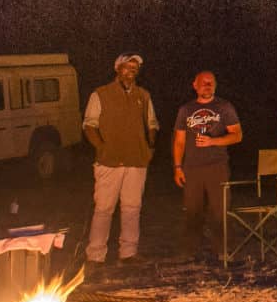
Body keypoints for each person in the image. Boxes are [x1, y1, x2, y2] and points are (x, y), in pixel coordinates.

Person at [82, 53, 160, 266]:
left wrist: (149, 147)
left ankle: (128, 253)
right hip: (109, 162)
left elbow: (152, 124)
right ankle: (95, 255)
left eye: (135, 67)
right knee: (104, 209)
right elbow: (89, 125)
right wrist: (102, 148)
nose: (132, 70)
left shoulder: (143, 95)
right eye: (128, 66)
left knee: (132, 207)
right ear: (117, 69)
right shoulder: (101, 94)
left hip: (137, 160)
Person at [172, 71, 242, 262]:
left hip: (216, 166)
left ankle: (224, 251)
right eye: (203, 83)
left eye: (211, 83)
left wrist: (214, 141)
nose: (207, 85)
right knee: (192, 209)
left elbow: (237, 135)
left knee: (219, 210)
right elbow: (179, 141)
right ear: (195, 85)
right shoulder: (186, 110)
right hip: (192, 167)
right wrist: (178, 166)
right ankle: (189, 251)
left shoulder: (224, 107)